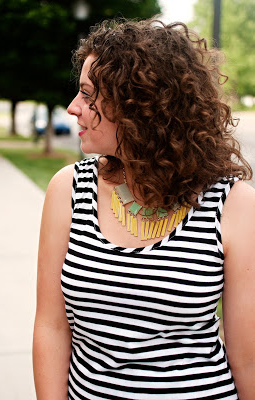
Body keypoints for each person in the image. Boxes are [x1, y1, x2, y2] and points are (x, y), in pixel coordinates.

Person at [33, 18, 255, 400]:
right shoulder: (67, 189)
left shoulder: (234, 205)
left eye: (88, 95)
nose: (73, 108)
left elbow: (248, 358)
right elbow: (51, 328)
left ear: (139, 106)